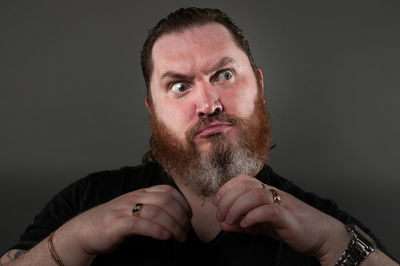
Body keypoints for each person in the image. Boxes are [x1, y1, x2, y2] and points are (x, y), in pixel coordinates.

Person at [1, 7, 398, 266]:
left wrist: (330, 243)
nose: (208, 103)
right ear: (152, 109)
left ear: (257, 85)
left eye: (223, 75)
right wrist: (81, 237)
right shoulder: (87, 200)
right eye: (179, 86)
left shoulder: (322, 224)